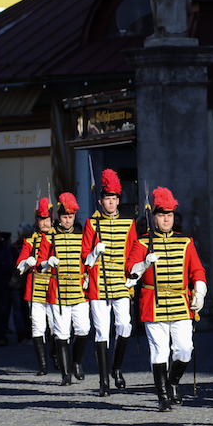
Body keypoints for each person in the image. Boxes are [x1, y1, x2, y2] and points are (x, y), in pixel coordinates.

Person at [126, 187, 207, 411]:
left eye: (169, 215)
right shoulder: (142, 243)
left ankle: (172, 382)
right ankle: (162, 396)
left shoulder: (186, 242)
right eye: (161, 215)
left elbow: (197, 271)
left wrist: (199, 291)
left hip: (181, 303)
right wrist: (143, 264)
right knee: (159, 350)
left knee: (185, 350)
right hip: (153, 302)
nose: (165, 219)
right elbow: (129, 272)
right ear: (153, 217)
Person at [81, 169, 139, 396]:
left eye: (114, 199)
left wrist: (135, 272)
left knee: (124, 326)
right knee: (101, 331)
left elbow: (134, 250)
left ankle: (117, 367)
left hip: (121, 283)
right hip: (99, 283)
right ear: (100, 200)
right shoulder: (91, 224)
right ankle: (104, 381)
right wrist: (95, 252)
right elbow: (85, 256)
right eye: (108, 199)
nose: (111, 202)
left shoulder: (128, 223)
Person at [48, 193, 91, 383]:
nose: (67, 220)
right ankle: (65, 374)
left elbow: (87, 260)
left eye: (71, 216)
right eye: (64, 216)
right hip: (58, 289)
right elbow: (40, 261)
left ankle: (77, 362)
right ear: (58, 216)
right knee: (62, 332)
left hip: (78, 289)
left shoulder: (81, 237)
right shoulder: (50, 237)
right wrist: (46, 263)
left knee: (83, 329)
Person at [15, 198, 59, 378]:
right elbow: (19, 266)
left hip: (55, 285)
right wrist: (26, 262)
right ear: (37, 221)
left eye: (48, 218)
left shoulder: (59, 237)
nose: (45, 222)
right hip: (35, 287)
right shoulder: (29, 241)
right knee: (38, 327)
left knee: (57, 326)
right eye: (42, 219)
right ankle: (42, 365)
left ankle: (56, 353)